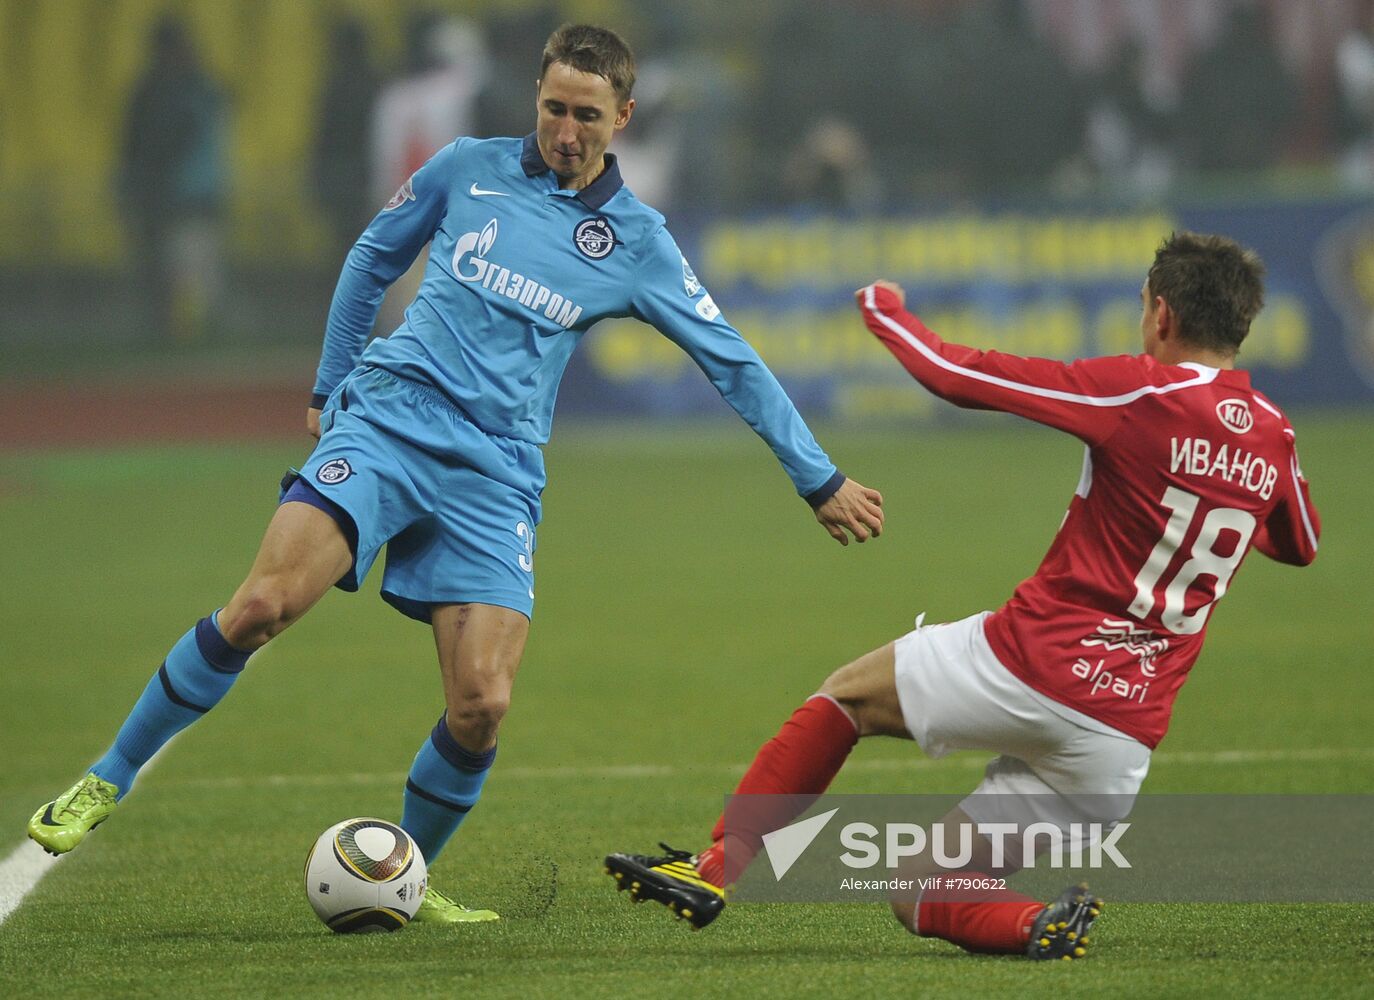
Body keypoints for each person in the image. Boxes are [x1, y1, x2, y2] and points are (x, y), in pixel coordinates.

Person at [27, 24, 885, 924]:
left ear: (621, 117)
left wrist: (816, 477)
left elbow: (732, 359)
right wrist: (331, 385)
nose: (564, 129)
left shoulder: (638, 243)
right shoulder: (465, 168)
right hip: (393, 419)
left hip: (497, 471)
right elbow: (372, 257)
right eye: (553, 107)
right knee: (261, 606)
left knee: (482, 705)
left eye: (586, 115)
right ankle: (105, 779)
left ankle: (406, 875)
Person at [605, 232, 1320, 959]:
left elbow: (956, 374)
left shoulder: (1138, 389)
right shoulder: (1276, 435)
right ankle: (1036, 924)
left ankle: (717, 866)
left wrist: (883, 311)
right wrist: (1213, 498)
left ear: (1161, 314)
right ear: (1241, 325)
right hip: (1119, 743)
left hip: (1033, 666)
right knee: (923, 887)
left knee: (847, 700)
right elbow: (1302, 545)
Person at [117, 15, 228, 343]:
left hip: (189, 198)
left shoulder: (191, 90)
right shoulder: (173, 90)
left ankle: (189, 333)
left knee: (191, 274)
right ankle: (175, 333)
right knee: (171, 274)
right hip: (172, 198)